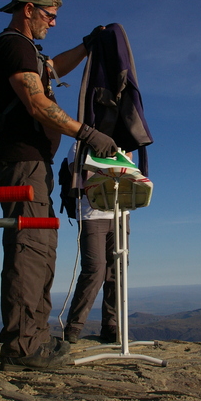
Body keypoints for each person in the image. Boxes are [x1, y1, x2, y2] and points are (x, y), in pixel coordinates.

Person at [0, 0, 117, 371]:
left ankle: (35, 339)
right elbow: (36, 102)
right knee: (30, 250)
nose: (53, 23)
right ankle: (22, 349)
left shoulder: (26, 51)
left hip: (33, 163)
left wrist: (86, 45)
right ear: (28, 9)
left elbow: (53, 67)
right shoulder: (13, 45)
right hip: (23, 161)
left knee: (41, 250)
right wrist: (87, 133)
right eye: (49, 15)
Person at [63, 144, 131, 344]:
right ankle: (74, 327)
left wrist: (124, 159)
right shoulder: (79, 146)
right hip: (91, 213)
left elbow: (130, 173)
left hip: (120, 212)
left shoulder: (122, 144)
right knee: (95, 269)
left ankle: (110, 325)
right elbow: (81, 176)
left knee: (117, 269)